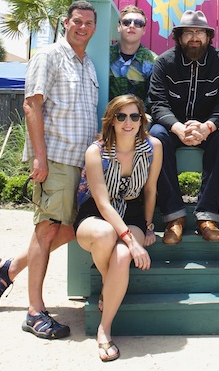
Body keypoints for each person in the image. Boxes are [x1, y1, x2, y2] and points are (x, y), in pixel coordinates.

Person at [0, 1, 99, 339]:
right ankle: (34, 312)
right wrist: (40, 157)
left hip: (83, 165)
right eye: (77, 21)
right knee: (47, 230)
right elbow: (31, 104)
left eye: (88, 23)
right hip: (57, 159)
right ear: (65, 23)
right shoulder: (48, 56)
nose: (82, 27)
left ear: (94, 27)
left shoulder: (89, 64)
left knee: (73, 228)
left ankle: (10, 268)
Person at [74, 94, 162, 362]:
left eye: (135, 116)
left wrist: (146, 227)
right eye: (121, 116)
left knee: (122, 255)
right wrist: (131, 241)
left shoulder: (153, 147)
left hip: (133, 211)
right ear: (111, 120)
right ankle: (108, 282)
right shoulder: (96, 151)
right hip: (97, 213)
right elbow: (102, 203)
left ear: (142, 120)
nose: (128, 122)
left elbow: (150, 190)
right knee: (106, 234)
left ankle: (105, 328)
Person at [148, 10, 219, 244]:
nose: (194, 37)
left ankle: (207, 218)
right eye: (188, 33)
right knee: (156, 136)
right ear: (179, 37)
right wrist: (177, 127)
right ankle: (174, 217)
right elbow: (157, 103)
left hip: (208, 127)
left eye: (200, 32)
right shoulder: (165, 62)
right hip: (174, 126)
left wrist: (208, 126)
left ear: (209, 37)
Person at [109, 5, 157, 107]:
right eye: (126, 22)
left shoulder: (153, 61)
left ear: (144, 30)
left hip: (139, 119)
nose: (132, 26)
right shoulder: (105, 56)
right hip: (105, 118)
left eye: (138, 23)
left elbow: (153, 98)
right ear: (119, 27)